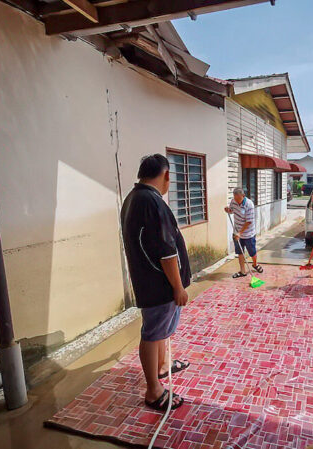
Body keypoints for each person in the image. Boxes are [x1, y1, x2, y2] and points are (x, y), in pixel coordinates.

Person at [120, 154, 191, 412]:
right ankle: (153, 390)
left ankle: (162, 366)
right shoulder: (151, 202)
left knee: (159, 330)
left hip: (150, 281)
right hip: (158, 284)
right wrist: (177, 286)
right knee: (152, 334)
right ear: (166, 175)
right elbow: (166, 251)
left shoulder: (133, 198)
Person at [224, 188, 263, 278]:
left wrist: (240, 233)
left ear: (243, 196)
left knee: (252, 251)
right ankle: (243, 271)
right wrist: (228, 210)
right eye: (235, 199)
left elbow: (249, 221)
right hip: (237, 231)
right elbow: (232, 211)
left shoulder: (249, 204)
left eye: (239, 199)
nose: (237, 201)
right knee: (240, 252)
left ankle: (255, 264)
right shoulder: (233, 201)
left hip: (248, 233)